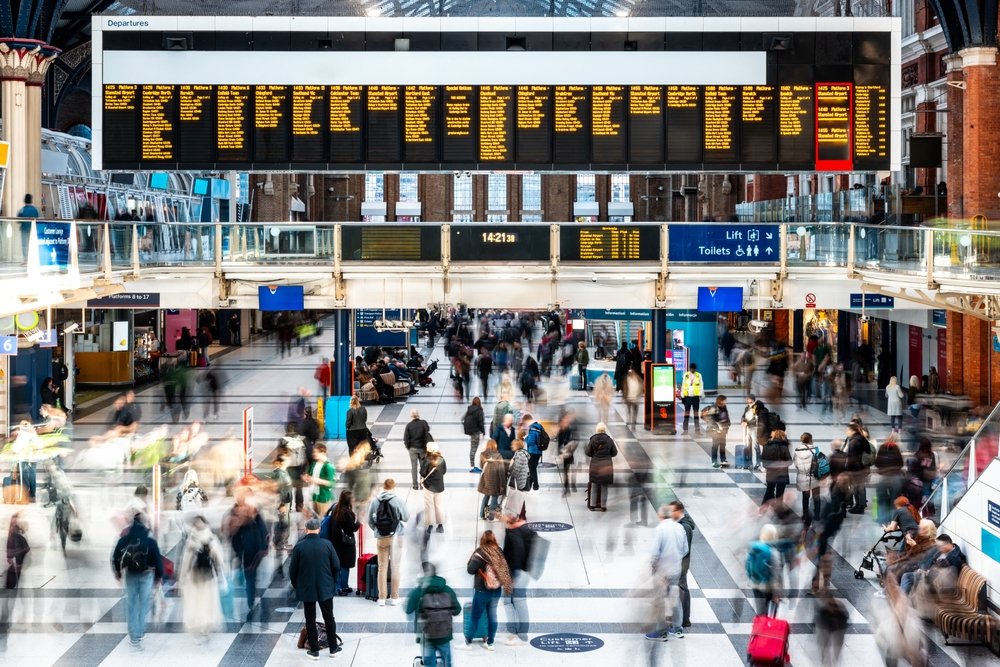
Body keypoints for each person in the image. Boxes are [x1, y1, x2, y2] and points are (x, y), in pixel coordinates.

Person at [289, 517, 343, 659]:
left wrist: (297, 585)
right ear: (319, 529)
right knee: (329, 617)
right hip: (325, 587)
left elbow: (292, 571)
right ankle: (333, 648)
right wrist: (332, 582)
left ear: (306, 530)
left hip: (307, 588)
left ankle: (314, 650)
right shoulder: (327, 545)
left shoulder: (299, 547)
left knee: (310, 618)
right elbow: (337, 566)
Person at [112, 514, 164, 650]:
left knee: (131, 604)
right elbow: (157, 560)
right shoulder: (150, 541)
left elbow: (116, 556)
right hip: (146, 575)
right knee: (143, 604)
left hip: (130, 575)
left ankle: (133, 635)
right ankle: (140, 632)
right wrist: (159, 576)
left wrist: (117, 572)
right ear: (145, 524)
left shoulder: (125, 539)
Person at [644, 504, 689, 641]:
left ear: (660, 515)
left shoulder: (660, 529)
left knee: (660, 600)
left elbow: (655, 552)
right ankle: (677, 629)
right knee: (675, 599)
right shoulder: (680, 528)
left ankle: (661, 631)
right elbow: (685, 549)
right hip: (676, 570)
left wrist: (653, 564)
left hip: (662, 571)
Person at [223, 492, 269, 621]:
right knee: (250, 575)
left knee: (250, 575)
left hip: (251, 550)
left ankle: (250, 599)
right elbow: (230, 533)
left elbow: (262, 530)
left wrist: (264, 547)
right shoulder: (238, 513)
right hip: (245, 549)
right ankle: (250, 597)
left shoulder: (250, 512)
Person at [464, 530, 513, 650]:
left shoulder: (480, 553)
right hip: (496, 589)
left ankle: (468, 641)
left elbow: (470, 570)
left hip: (482, 590)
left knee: (475, 616)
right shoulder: (499, 551)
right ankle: (490, 642)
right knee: (492, 615)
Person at [179, 515, 226, 642]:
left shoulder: (191, 540)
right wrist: (222, 573)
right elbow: (220, 559)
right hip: (209, 577)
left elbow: (186, 562)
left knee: (196, 603)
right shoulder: (211, 538)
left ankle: (198, 629)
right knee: (208, 602)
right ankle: (206, 628)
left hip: (194, 577)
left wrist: (182, 578)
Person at [406, 561, 461, 666]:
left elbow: (408, 610)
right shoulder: (447, 589)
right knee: (447, 662)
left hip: (427, 637)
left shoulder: (418, 591)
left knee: (429, 663)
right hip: (445, 635)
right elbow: (457, 610)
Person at [368, 479, 409, 607]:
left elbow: (370, 520)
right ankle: (394, 597)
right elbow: (406, 517)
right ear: (394, 487)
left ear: (383, 487)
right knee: (395, 567)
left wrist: (378, 530)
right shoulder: (398, 500)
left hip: (381, 538)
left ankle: (381, 598)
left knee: (382, 567)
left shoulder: (375, 501)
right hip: (396, 537)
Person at [502, 511, 536, 645]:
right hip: (523, 572)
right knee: (519, 602)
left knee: (511, 602)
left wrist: (511, 577)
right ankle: (520, 631)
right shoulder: (524, 530)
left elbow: (515, 555)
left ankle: (517, 633)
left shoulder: (514, 535)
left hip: (516, 573)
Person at [899, 534, 965, 595]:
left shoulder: (956, 558)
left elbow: (947, 575)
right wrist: (923, 569)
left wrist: (927, 572)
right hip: (927, 573)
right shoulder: (942, 551)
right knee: (905, 571)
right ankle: (905, 599)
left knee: (907, 577)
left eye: (940, 546)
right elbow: (929, 560)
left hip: (934, 582)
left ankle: (904, 601)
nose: (938, 548)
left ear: (947, 544)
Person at [328, 490, 361, 596]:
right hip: (345, 543)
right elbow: (353, 527)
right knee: (345, 566)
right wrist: (358, 521)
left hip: (336, 541)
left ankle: (339, 586)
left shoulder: (335, 508)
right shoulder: (346, 512)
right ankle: (343, 587)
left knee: (338, 565)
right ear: (348, 501)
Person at [746, 524, 783, 615]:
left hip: (755, 584)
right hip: (768, 586)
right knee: (771, 612)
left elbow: (748, 565)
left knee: (760, 612)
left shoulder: (754, 548)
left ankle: (759, 627)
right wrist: (776, 593)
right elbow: (776, 574)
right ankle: (766, 628)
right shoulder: (773, 552)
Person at [670, 501, 696, 629]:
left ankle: (685, 619)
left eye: (672, 511)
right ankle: (682, 617)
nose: (670, 513)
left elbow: (683, 549)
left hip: (681, 563)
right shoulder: (682, 524)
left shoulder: (684, 527)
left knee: (682, 589)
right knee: (681, 588)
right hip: (681, 563)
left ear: (679, 511)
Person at [585, 422, 618, 512]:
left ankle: (592, 505)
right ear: (605, 430)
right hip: (606, 466)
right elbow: (614, 453)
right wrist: (608, 454)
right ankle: (603, 506)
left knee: (594, 485)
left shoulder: (592, 440)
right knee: (604, 487)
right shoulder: (609, 440)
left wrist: (594, 454)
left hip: (595, 466)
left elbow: (588, 453)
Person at [792, 433, 822, 525]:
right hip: (814, 476)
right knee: (816, 496)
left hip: (803, 476)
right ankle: (817, 515)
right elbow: (820, 463)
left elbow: (796, 464)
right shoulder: (815, 450)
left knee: (805, 497)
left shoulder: (797, 450)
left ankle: (805, 515)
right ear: (811, 439)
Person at [874, 433, 905, 522]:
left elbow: (877, 463)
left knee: (882, 500)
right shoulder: (896, 449)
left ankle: (882, 520)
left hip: (883, 477)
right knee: (895, 500)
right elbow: (901, 464)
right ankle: (893, 520)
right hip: (895, 478)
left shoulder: (882, 448)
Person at [303, 443, 336, 518]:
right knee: (314, 517)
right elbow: (309, 475)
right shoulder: (314, 464)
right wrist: (307, 477)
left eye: (316, 452)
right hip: (314, 495)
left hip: (323, 497)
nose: (313, 454)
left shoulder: (328, 466)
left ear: (323, 452)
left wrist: (318, 481)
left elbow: (332, 483)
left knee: (323, 518)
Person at [845, 421, 872, 514]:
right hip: (862, 467)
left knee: (857, 488)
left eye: (848, 430)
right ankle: (859, 505)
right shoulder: (861, 438)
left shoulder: (854, 441)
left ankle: (859, 507)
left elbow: (851, 457)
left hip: (856, 469)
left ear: (852, 430)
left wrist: (847, 469)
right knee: (858, 487)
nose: (846, 432)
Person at [815, 593, 849, 666]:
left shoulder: (840, 607)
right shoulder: (822, 610)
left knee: (836, 650)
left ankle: (833, 662)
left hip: (838, 630)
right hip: (825, 630)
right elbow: (819, 623)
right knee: (824, 650)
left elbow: (845, 618)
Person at [478, 439, 507, 521]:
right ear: (495, 446)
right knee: (494, 497)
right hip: (495, 480)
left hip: (486, 479)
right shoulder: (498, 456)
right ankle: (491, 516)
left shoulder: (482, 454)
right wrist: (502, 484)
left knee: (486, 496)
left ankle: (481, 514)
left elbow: (481, 466)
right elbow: (501, 471)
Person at [761, 429, 792, 505]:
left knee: (769, 490)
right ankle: (778, 509)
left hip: (770, 473)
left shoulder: (766, 446)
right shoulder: (784, 447)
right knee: (780, 493)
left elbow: (763, 460)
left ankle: (763, 507)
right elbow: (789, 461)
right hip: (782, 473)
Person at [404, 409, 432, 490]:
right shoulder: (423, 423)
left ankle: (415, 485)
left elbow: (406, 438)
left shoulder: (409, 425)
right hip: (422, 448)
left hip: (412, 449)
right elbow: (428, 430)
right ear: (418, 415)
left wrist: (408, 447)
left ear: (411, 416)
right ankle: (422, 483)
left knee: (414, 467)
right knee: (423, 466)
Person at [421, 449, 448, 533]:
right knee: (439, 506)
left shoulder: (427, 460)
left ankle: (430, 526)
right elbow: (444, 471)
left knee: (429, 506)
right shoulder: (442, 460)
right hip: (439, 486)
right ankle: (440, 526)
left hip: (428, 486)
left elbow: (422, 472)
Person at [704, 395, 731, 468]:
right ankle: (714, 461)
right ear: (721, 400)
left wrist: (728, 424)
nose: (726, 401)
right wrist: (717, 428)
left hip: (723, 430)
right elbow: (710, 419)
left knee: (723, 445)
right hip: (715, 430)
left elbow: (726, 417)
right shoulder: (714, 408)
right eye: (725, 400)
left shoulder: (724, 407)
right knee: (715, 445)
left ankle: (723, 459)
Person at [556, 410, 578, 496]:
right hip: (564, 453)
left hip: (569, 453)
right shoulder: (561, 430)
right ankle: (566, 488)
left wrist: (567, 449)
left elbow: (572, 442)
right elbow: (559, 442)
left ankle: (571, 485)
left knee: (569, 470)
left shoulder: (569, 430)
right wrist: (559, 452)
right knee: (565, 472)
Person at [522, 413, 546, 493]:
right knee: (532, 468)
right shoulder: (539, 426)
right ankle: (529, 485)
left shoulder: (532, 429)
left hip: (532, 452)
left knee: (532, 469)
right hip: (539, 451)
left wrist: (525, 438)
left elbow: (531, 442)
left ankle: (536, 486)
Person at [462, 396, 485, 472]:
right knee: (474, 449)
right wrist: (483, 432)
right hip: (476, 432)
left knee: (472, 449)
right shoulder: (480, 411)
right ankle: (473, 467)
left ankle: (472, 465)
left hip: (471, 432)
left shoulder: (469, 409)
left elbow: (462, 419)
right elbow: (481, 423)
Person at [680, 363, 705, 432]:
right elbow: (683, 385)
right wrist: (682, 395)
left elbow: (701, 385)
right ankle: (685, 428)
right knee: (687, 412)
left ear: (695, 369)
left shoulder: (698, 375)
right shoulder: (686, 375)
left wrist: (701, 394)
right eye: (691, 368)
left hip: (695, 397)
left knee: (696, 413)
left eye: (693, 369)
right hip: (687, 397)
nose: (692, 370)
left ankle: (697, 429)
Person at [17, 193, 40, 259]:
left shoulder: (22, 210)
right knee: (33, 244)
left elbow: (18, 220)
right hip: (34, 230)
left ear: (24, 200)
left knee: (25, 245)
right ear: (31, 200)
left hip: (24, 230)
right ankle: (33, 259)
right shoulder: (36, 210)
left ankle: (25, 260)